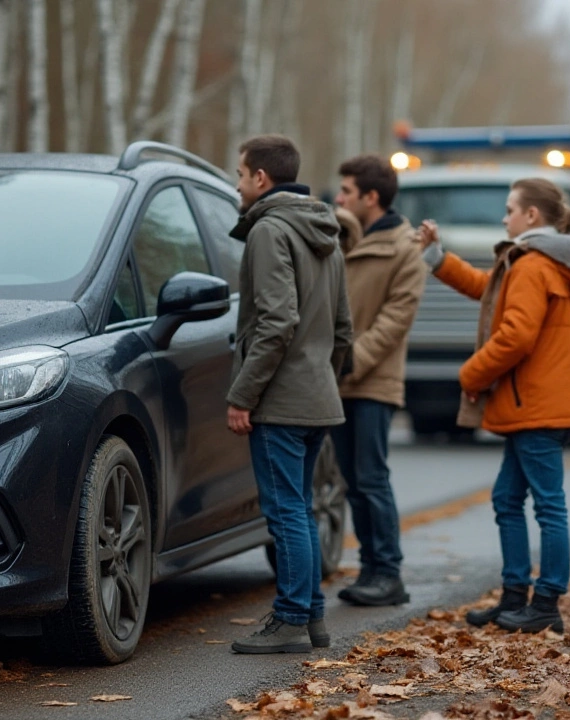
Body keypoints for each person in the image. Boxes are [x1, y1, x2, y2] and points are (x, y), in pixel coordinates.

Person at [415, 178, 570, 633]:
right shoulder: (562, 269)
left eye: (509, 210)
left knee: (545, 505)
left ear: (531, 217)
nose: (503, 218)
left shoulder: (531, 265)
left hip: (533, 406)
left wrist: (471, 374)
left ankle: (545, 602)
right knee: (510, 498)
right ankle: (515, 597)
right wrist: (438, 258)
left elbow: (516, 335)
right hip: (545, 405)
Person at [227, 135, 354, 654]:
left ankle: (291, 619)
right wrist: (323, 380)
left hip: (280, 400)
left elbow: (276, 322)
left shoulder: (269, 231)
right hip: (317, 395)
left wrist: (243, 394)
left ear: (261, 178)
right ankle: (314, 617)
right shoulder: (328, 232)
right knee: (299, 508)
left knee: (286, 512)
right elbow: (343, 329)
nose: (237, 185)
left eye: (239, 174)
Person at [330, 155, 426, 607]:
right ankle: (371, 567)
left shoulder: (406, 249)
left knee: (371, 477)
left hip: (372, 383)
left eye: (347, 191)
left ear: (371, 197)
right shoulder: (337, 238)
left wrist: (349, 362)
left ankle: (388, 572)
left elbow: (395, 321)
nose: (339, 197)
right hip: (335, 380)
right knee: (350, 478)